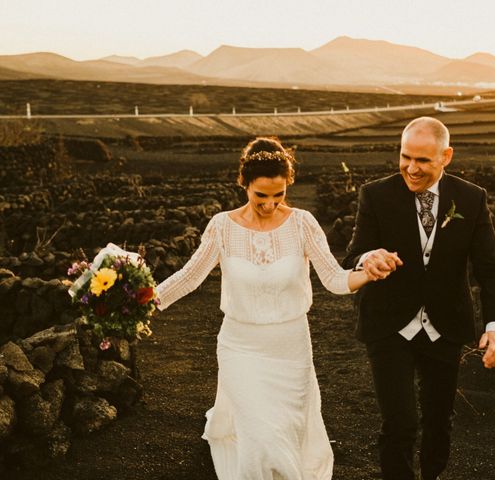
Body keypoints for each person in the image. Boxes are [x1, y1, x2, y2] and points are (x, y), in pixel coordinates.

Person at [154, 137, 386, 480]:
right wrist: (143, 300)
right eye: (260, 195)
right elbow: (190, 277)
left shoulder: (303, 223)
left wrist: (368, 272)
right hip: (240, 345)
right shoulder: (221, 226)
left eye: (278, 195)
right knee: (259, 438)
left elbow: (335, 280)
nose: (270, 204)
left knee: (286, 435)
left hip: (291, 346)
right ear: (243, 184)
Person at [342, 116, 495, 480]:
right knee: (400, 422)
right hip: (388, 325)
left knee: (439, 421)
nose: (411, 168)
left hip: (446, 325)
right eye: (405, 157)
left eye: (423, 160)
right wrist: (367, 258)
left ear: (446, 156)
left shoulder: (471, 198)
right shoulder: (375, 195)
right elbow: (352, 254)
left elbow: (491, 269)